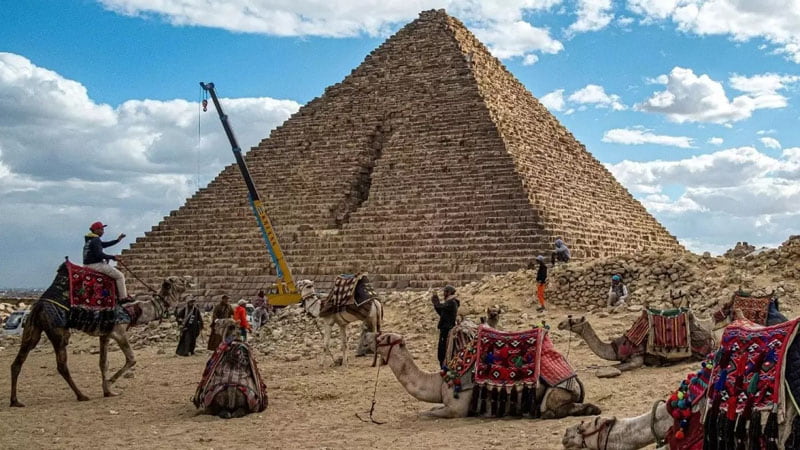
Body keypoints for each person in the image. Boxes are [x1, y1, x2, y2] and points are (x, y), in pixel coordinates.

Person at [82, 221, 131, 301]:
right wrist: (112, 257)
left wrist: (117, 240)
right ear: (96, 230)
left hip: (87, 265)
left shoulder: (90, 240)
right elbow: (99, 255)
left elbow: (104, 245)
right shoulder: (95, 240)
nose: (103, 231)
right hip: (95, 265)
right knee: (120, 276)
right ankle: (123, 298)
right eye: (101, 229)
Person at [431, 285, 460, 368]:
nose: (443, 294)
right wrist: (436, 304)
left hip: (446, 329)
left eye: (445, 292)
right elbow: (442, 312)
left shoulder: (451, 302)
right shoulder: (450, 302)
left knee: (443, 351)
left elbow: (440, 307)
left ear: (449, 292)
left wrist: (436, 302)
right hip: (446, 328)